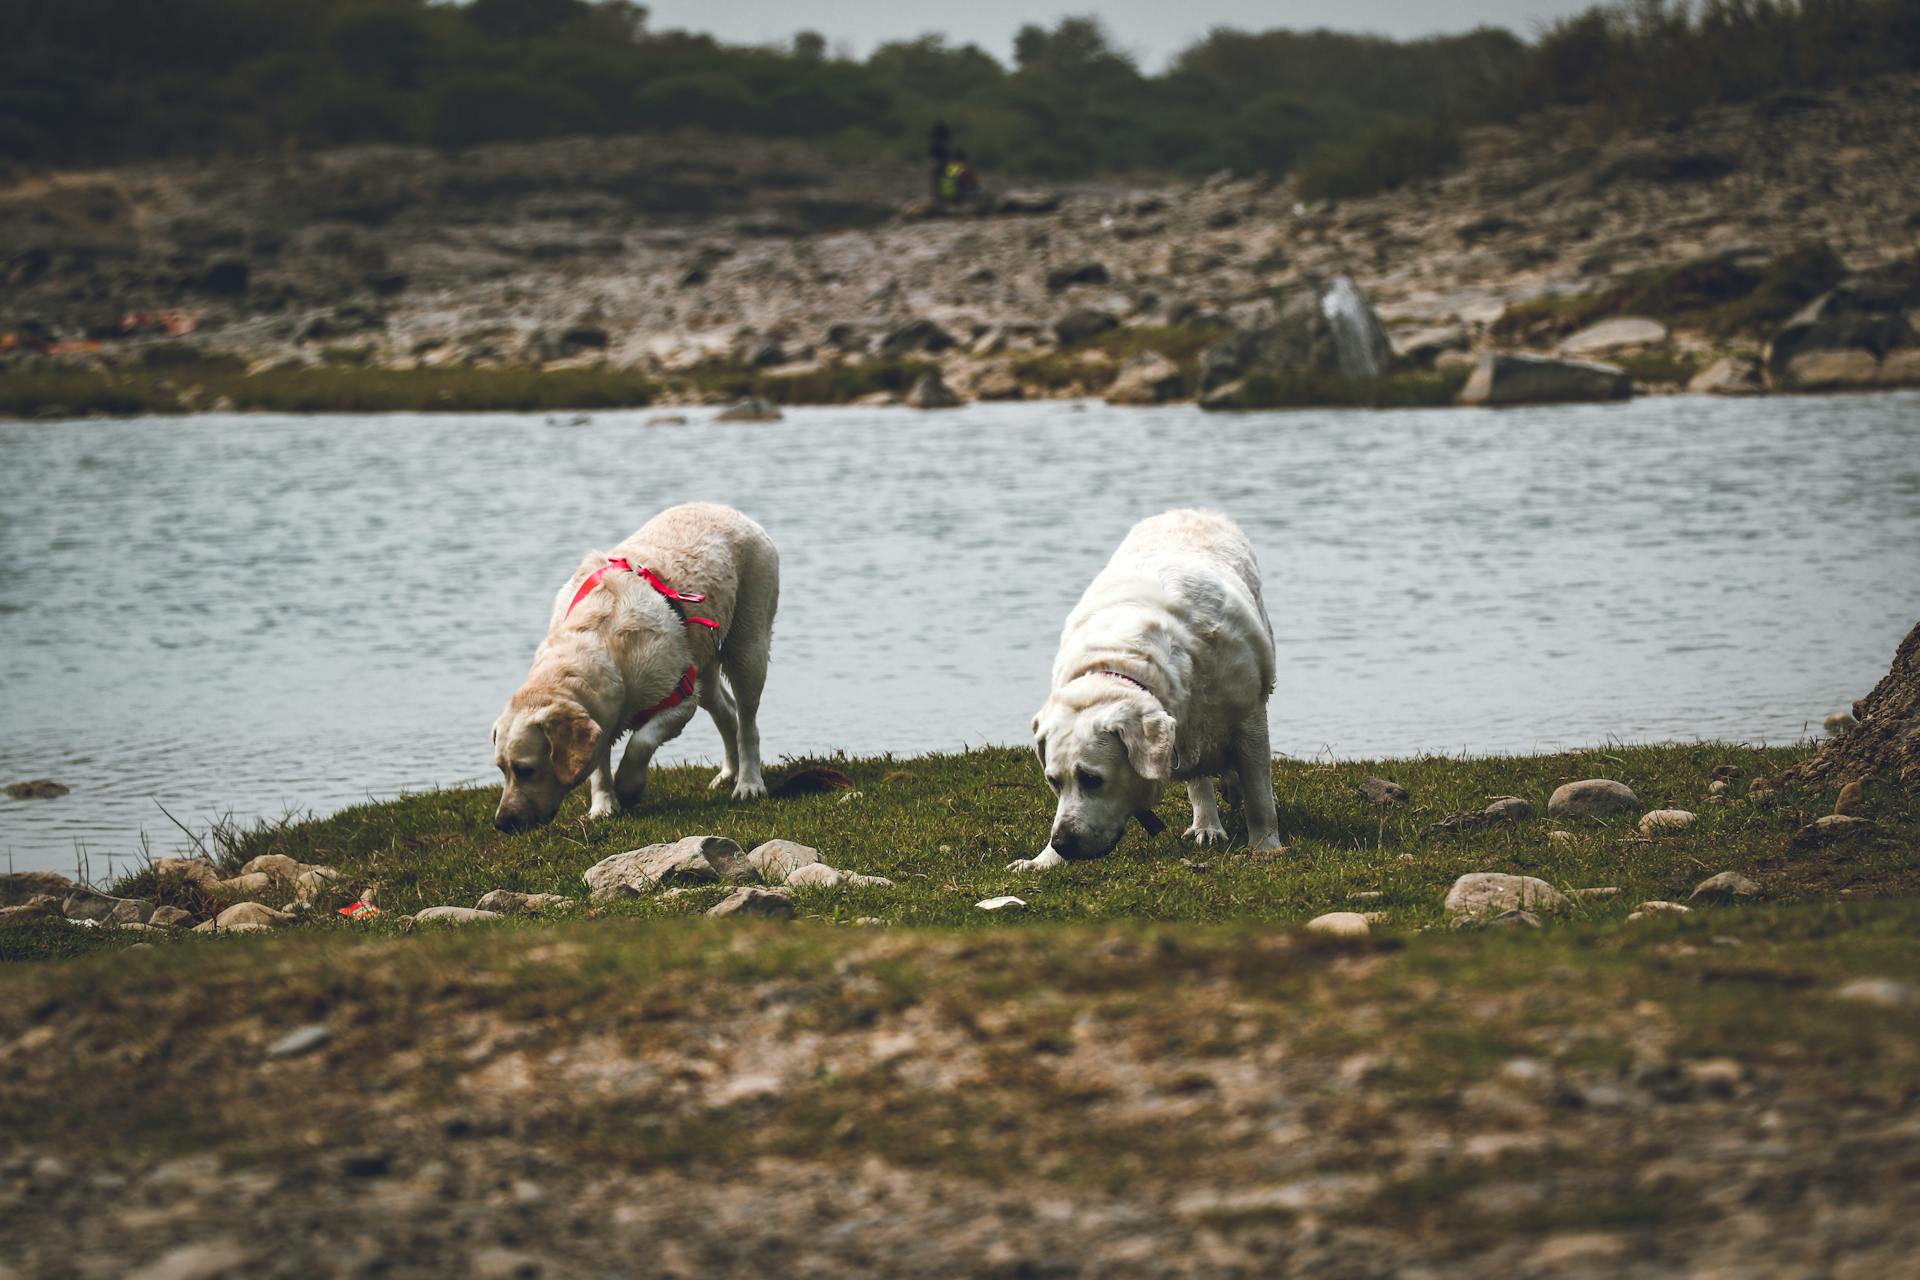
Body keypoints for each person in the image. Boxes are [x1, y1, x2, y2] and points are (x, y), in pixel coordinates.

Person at [929, 120, 952, 202]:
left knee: (938, 180)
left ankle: (939, 197)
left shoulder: (934, 142)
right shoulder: (944, 142)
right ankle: (945, 197)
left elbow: (932, 152)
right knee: (945, 179)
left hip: (939, 161)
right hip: (943, 161)